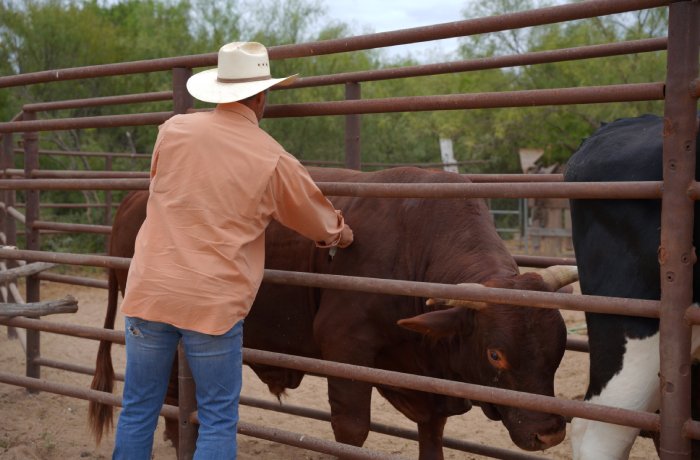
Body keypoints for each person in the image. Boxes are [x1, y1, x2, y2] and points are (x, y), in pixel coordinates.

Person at [112, 41, 354, 459]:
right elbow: (316, 220)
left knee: (138, 408)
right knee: (218, 418)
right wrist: (340, 233)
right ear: (261, 96)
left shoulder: (173, 130)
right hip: (212, 304)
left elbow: (160, 186)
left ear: (219, 90)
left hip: (150, 291)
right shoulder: (272, 158)